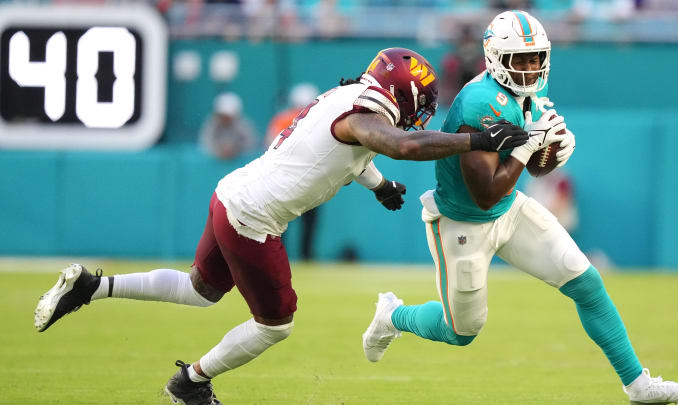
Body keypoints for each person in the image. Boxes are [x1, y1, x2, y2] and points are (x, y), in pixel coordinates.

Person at [33, 47, 530, 405]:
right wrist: (477, 141)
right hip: (253, 218)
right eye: (418, 99)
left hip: (231, 194)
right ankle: (192, 383)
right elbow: (401, 144)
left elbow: (351, 155)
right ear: (400, 93)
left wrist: (380, 187)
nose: (420, 110)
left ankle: (92, 286)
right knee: (277, 324)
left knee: (201, 289)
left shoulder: (348, 97)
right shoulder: (364, 114)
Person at [361, 12, 678, 404]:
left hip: (508, 209)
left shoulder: (525, 95)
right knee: (462, 331)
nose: (529, 68)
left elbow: (531, 170)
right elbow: (485, 191)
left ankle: (639, 387)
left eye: (535, 58)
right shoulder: (479, 103)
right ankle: (392, 315)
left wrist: (551, 153)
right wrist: (527, 147)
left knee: (586, 283)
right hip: (462, 220)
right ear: (494, 58)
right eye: (519, 60)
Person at [265, 82, 321, 260]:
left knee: (284, 220)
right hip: (304, 177)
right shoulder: (318, 119)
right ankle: (305, 255)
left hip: (290, 177)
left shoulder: (284, 118)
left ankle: (282, 255)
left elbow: (270, 146)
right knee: (300, 221)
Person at [199, 92, 258, 160]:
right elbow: (205, 143)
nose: (225, 118)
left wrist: (236, 149)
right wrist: (219, 150)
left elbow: (251, 143)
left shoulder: (243, 125)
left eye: (228, 116)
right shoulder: (212, 124)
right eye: (223, 115)